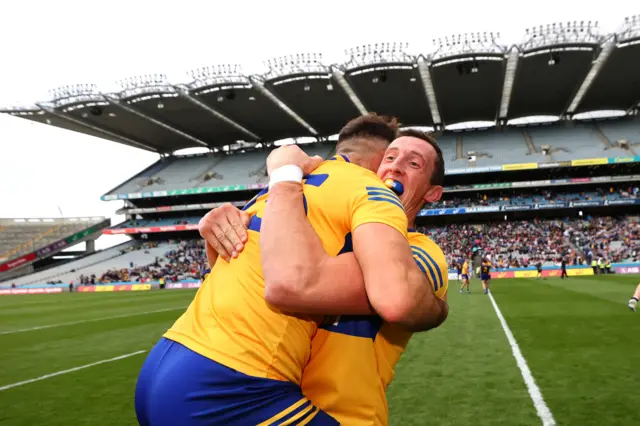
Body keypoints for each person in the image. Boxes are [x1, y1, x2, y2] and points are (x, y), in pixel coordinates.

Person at [135, 114, 445, 426]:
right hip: (243, 387)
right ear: (374, 166)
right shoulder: (319, 200)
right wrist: (218, 231)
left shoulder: (420, 250)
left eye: (414, 163)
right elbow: (273, 279)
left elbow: (391, 294)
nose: (394, 167)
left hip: (184, 372)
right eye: (390, 156)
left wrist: (283, 176)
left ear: (432, 193)